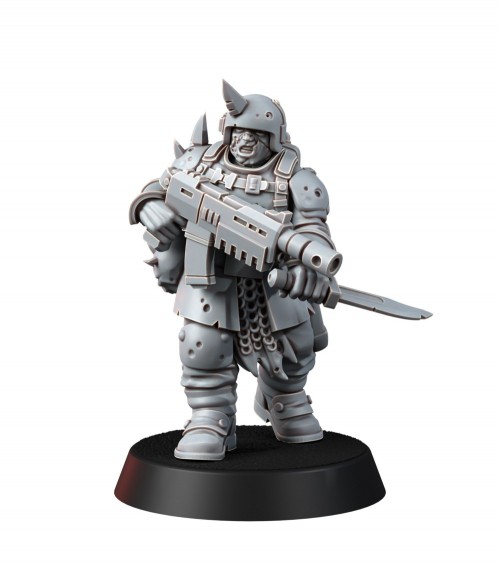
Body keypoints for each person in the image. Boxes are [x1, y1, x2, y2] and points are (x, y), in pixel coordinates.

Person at [129, 80, 339, 460]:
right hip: (211, 279)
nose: (245, 141)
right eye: (239, 132)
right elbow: (159, 188)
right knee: (202, 347)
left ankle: (285, 401)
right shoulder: (199, 163)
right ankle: (211, 417)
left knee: (293, 348)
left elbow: (313, 229)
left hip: (272, 282)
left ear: (274, 138)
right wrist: (148, 206)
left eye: (256, 135)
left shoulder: (296, 179)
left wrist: (309, 265)